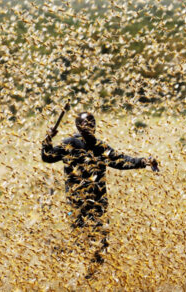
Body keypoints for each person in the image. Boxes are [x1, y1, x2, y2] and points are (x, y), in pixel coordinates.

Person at [40, 111, 158, 269]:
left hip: (98, 204)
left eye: (92, 123)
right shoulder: (69, 144)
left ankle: (91, 278)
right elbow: (47, 156)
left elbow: (120, 160)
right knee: (81, 242)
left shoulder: (100, 147)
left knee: (101, 246)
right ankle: (73, 269)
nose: (89, 126)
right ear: (78, 126)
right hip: (77, 204)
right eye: (86, 123)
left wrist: (144, 161)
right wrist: (47, 140)